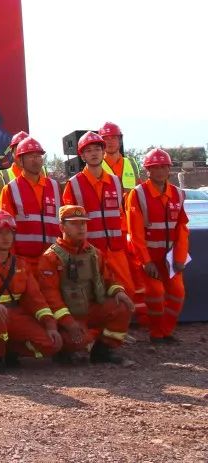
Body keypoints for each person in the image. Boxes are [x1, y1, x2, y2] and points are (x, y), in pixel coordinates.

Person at [36, 205, 134, 364]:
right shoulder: (50, 258)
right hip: (68, 315)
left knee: (122, 306)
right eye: (74, 223)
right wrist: (69, 323)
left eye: (83, 223)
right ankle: (64, 351)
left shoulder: (95, 253)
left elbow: (109, 278)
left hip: (90, 308)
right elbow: (50, 297)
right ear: (62, 227)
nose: (81, 227)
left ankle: (103, 351)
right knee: (78, 340)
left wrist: (119, 292)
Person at [0, 211, 62, 371]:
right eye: (0, 233)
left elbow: (36, 300)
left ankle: (12, 350)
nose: (6, 237)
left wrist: (50, 325)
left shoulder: (21, 265)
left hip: (16, 316)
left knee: (52, 345)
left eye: (9, 233)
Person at [62, 132, 139, 314]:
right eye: (88, 151)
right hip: (89, 250)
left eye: (97, 149)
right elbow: (67, 223)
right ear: (82, 156)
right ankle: (99, 334)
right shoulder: (73, 184)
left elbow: (120, 214)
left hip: (116, 249)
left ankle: (118, 330)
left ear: (104, 152)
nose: (94, 153)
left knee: (126, 288)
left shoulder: (114, 181)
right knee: (92, 293)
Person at [126, 148, 189, 343]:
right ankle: (156, 333)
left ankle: (166, 331)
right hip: (149, 258)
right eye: (155, 167)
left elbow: (182, 230)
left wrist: (179, 258)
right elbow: (135, 233)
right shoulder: (138, 194)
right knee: (155, 294)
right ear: (148, 171)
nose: (160, 171)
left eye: (164, 167)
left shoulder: (178, 194)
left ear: (169, 169)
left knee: (178, 294)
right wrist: (146, 262)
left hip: (170, 258)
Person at [0, 136, 62, 274]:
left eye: (38, 156)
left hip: (53, 259)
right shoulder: (10, 189)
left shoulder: (54, 186)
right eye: (30, 157)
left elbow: (61, 223)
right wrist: (11, 260)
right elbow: (6, 228)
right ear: (20, 161)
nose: (36, 160)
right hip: (23, 261)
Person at [98, 121, 142, 191]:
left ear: (120, 140)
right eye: (106, 138)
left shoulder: (131, 163)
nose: (110, 142)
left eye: (113, 138)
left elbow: (139, 191)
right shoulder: (95, 165)